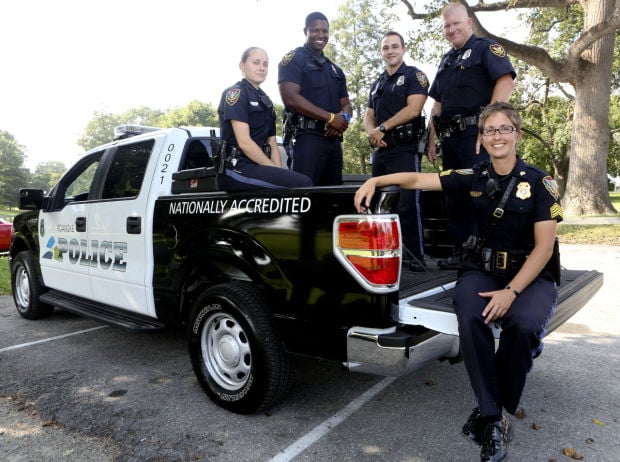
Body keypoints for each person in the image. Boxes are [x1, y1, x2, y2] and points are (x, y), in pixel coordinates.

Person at [355, 102, 562, 462]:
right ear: (481, 139)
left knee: (524, 325)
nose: (497, 136)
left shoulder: (540, 183)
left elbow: (545, 248)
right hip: (481, 270)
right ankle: (492, 417)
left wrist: (511, 292)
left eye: (504, 128)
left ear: (517, 133)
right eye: (490, 130)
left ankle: (491, 410)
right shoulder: (475, 175)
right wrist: (375, 179)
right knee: (469, 314)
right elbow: (418, 179)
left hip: (529, 275)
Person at [427, 1, 516, 269]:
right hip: (450, 140)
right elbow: (437, 103)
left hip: (475, 137)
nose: (451, 29)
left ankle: (490, 254)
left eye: (456, 23)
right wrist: (431, 137)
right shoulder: (446, 60)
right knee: (454, 194)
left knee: (482, 194)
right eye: (446, 26)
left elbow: (506, 81)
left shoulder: (485, 49)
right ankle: (462, 252)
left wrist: (488, 126)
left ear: (468, 22)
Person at [363, 31, 429, 271]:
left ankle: (415, 257)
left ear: (403, 48)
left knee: (408, 205)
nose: (390, 51)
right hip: (381, 152)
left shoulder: (414, 76)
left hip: (405, 150)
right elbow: (367, 116)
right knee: (379, 204)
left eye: (394, 46)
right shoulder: (377, 82)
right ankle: (383, 255)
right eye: (385, 48)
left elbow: (414, 109)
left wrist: (382, 128)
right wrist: (373, 133)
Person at [218, 47, 312, 191]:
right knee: (302, 184)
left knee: (299, 180)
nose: (262, 68)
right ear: (242, 66)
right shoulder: (235, 93)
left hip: (257, 167)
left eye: (265, 64)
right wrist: (273, 169)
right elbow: (244, 142)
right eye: (256, 63)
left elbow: (272, 143)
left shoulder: (265, 101)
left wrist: (278, 171)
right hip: (236, 169)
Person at [278, 11, 352, 186]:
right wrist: (332, 118)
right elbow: (290, 98)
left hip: (333, 140)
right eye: (315, 30)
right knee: (304, 195)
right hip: (306, 139)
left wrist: (343, 119)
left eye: (324, 31)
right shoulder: (294, 60)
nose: (321, 35)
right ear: (306, 31)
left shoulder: (335, 69)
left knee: (332, 198)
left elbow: (346, 104)